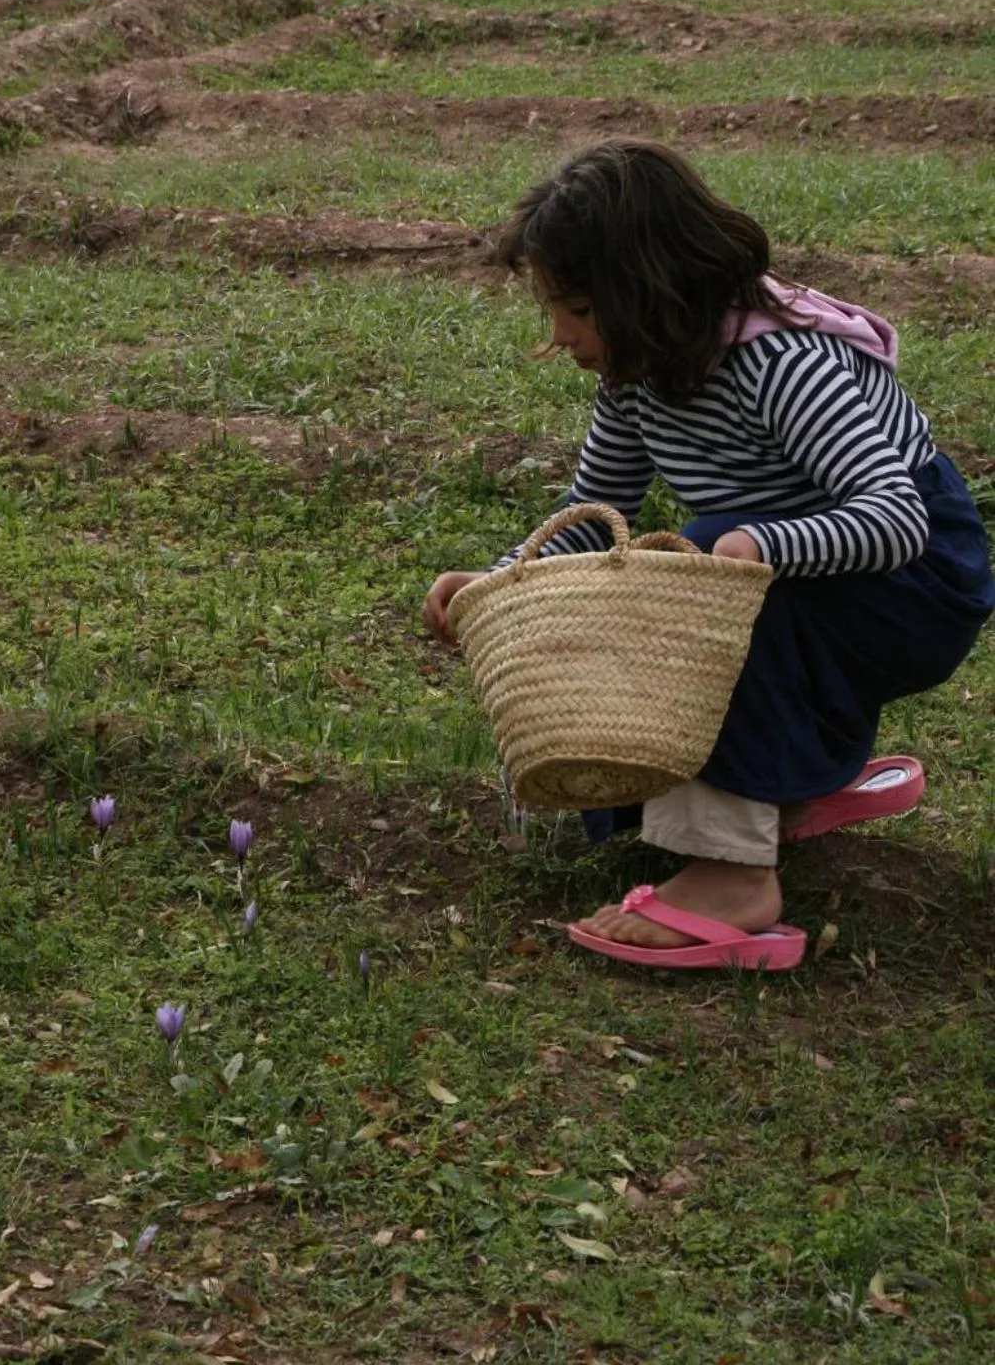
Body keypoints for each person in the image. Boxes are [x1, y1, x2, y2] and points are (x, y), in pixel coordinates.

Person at [422, 141, 993, 970]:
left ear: (648, 289)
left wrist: (759, 543)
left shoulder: (781, 362)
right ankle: (782, 784)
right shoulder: (638, 372)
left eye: (579, 309)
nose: (562, 336)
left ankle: (733, 872)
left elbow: (897, 519)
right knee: (680, 569)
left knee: (693, 572)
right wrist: (506, 580)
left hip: (918, 582)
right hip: (811, 573)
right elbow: (599, 512)